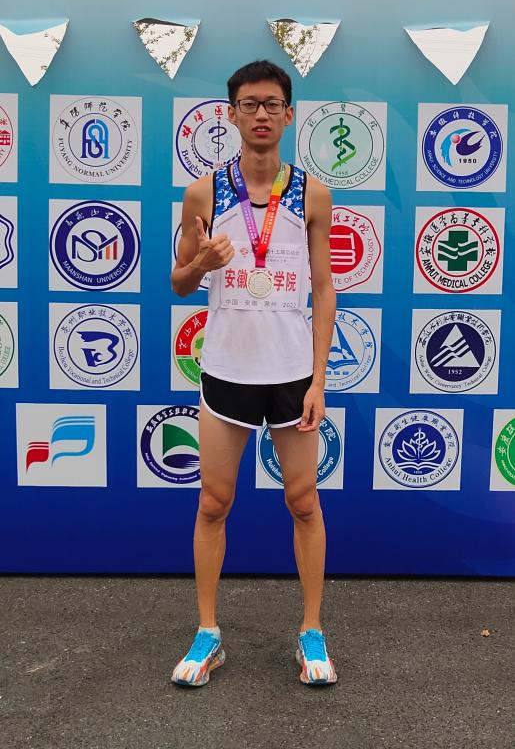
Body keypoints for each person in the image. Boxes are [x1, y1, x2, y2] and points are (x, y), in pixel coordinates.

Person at [170, 60, 337, 686]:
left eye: (272, 104)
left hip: (291, 373)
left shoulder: (313, 194)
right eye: (249, 104)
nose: (261, 114)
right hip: (227, 371)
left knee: (303, 501)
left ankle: (311, 631)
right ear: (231, 114)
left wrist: (318, 380)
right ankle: (208, 633)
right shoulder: (203, 193)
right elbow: (178, 281)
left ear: (289, 115)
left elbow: (324, 288)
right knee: (214, 502)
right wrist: (203, 262)